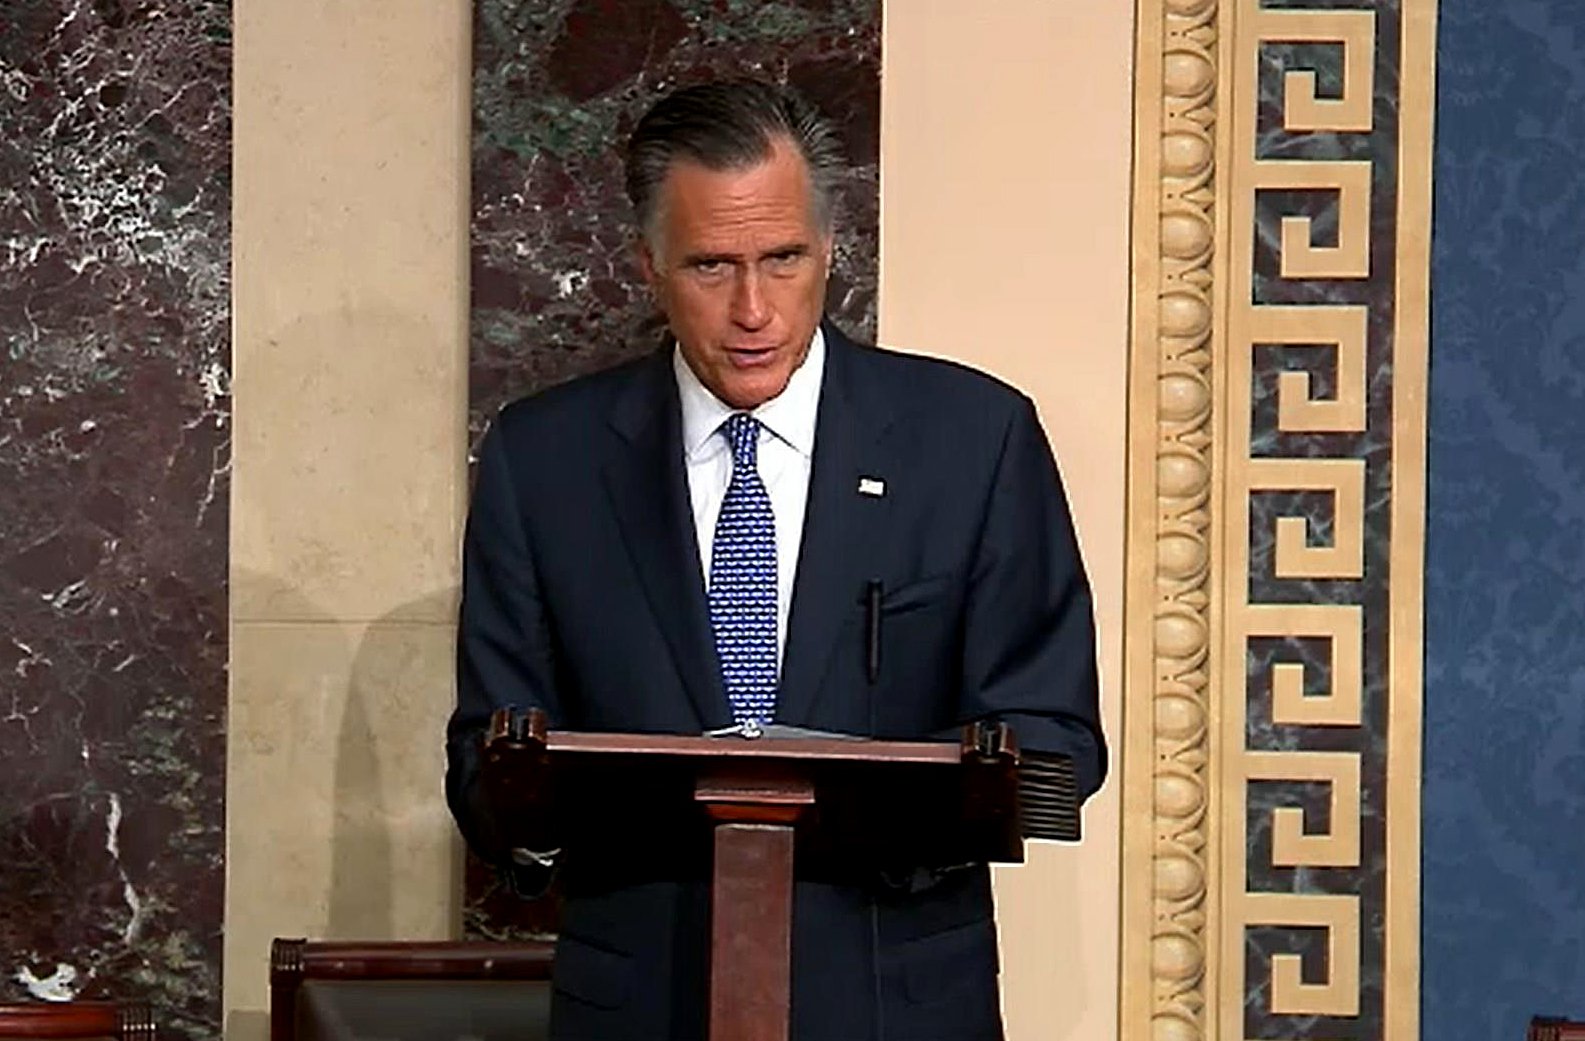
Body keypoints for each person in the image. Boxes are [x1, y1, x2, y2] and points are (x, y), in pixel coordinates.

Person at [446, 79, 1106, 1041]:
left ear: (830, 249)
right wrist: (544, 807)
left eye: (783, 259)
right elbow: (483, 765)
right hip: (637, 1006)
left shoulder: (973, 440)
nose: (753, 308)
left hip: (895, 1003)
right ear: (648, 265)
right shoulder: (542, 460)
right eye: (711, 265)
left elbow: (1055, 737)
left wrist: (878, 801)